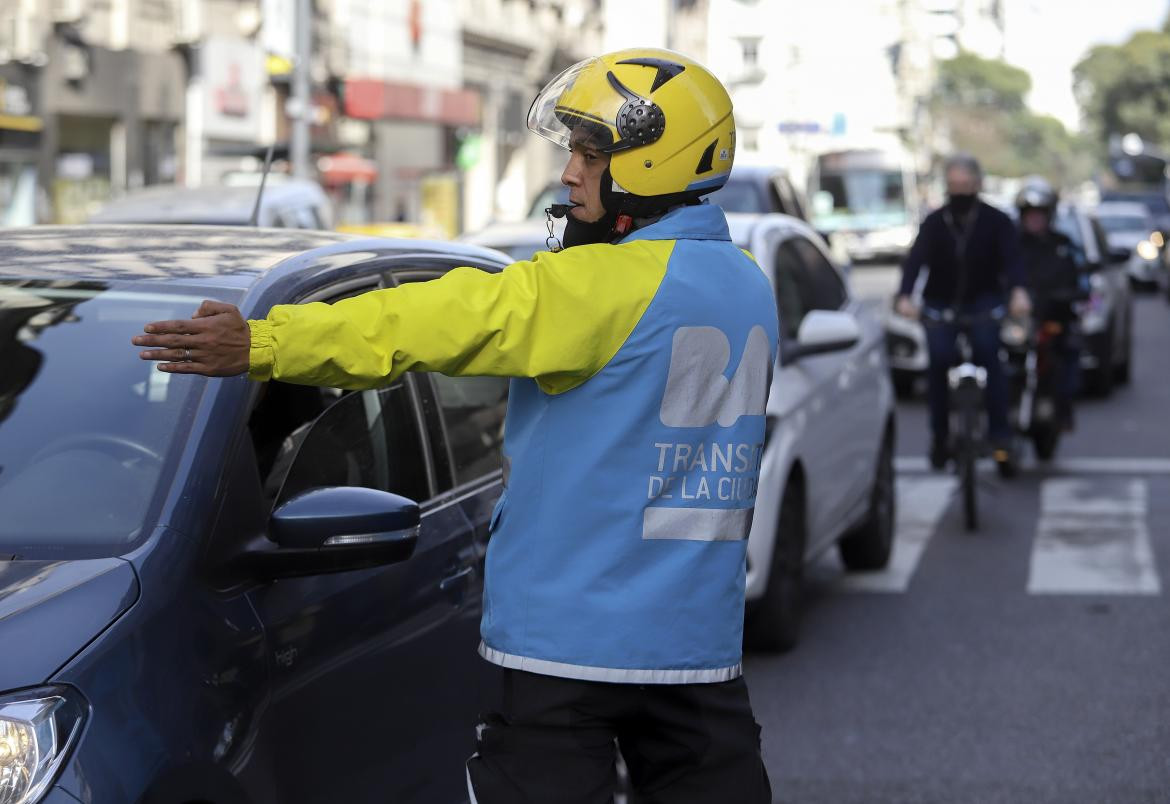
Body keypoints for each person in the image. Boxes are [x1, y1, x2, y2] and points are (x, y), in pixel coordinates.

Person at [133, 49, 776, 803]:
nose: (570, 172)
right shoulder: (746, 284)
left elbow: (430, 320)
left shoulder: (600, 286)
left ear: (653, 167)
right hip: (697, 654)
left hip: (564, 656)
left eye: (591, 154)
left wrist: (266, 343)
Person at [895, 154, 1031, 471]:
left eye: (965, 186)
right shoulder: (934, 222)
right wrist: (904, 296)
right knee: (939, 360)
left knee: (989, 353)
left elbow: (1013, 262)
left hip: (984, 302)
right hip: (940, 304)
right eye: (953, 186)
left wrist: (1019, 292)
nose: (959, 192)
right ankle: (940, 437)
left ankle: (1000, 434)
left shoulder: (997, 222)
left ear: (978, 185)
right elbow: (915, 262)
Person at [1014, 177, 1087, 430]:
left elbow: (1085, 281)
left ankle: (1062, 408)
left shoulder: (1064, 245)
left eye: (1039, 214)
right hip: (1018, 321)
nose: (1034, 220)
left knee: (1068, 350)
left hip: (1054, 318)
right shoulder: (1011, 245)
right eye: (1030, 214)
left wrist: (1076, 296)